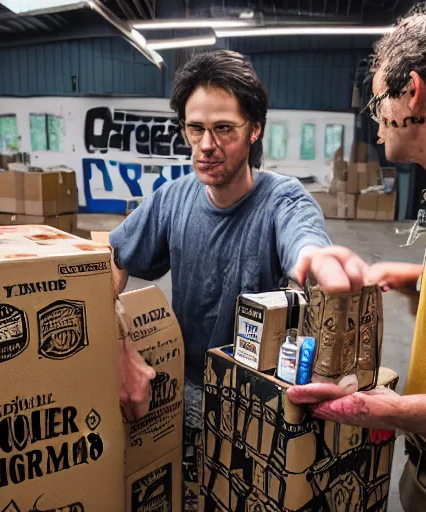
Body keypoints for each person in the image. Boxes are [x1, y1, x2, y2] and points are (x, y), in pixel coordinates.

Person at [109, 49, 367, 507]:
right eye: (196, 129)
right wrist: (118, 344)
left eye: (224, 128)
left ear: (254, 129)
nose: (206, 145)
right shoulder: (172, 199)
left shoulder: (282, 201)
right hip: (184, 396)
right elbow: (109, 262)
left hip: (258, 405)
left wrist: (317, 261)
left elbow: (304, 240)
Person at [289, 7, 426, 511]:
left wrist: (393, 411)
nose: (377, 118)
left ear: (411, 92)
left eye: (378, 99)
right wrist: (419, 279)